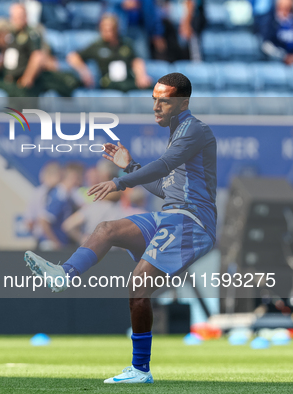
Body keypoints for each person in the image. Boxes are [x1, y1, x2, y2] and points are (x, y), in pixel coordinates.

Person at [24, 73, 217, 383]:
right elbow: (167, 189)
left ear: (183, 103)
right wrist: (130, 167)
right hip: (170, 215)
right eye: (154, 98)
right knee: (106, 229)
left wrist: (119, 180)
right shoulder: (179, 131)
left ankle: (140, 370)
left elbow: (165, 166)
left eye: (164, 100)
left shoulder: (195, 130)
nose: (156, 106)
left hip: (193, 221)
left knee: (139, 283)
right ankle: (64, 275)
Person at [66, 14, 151, 92]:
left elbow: (136, 60)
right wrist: (84, 71)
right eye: (104, 29)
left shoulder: (126, 43)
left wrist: (141, 75)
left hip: (127, 78)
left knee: (152, 86)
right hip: (109, 81)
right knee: (122, 87)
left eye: (110, 29)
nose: (106, 32)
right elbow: (73, 56)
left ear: (116, 29)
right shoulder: (97, 46)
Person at [0, 3, 47, 97]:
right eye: (14, 16)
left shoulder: (31, 33)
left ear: (25, 16)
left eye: (19, 16)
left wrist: (27, 78)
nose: (16, 19)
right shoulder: (12, 34)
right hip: (11, 82)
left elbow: (37, 56)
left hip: (22, 83)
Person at [38, 163, 83, 250]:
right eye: (78, 177)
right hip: (53, 247)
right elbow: (44, 222)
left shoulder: (69, 196)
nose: (80, 181)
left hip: (63, 244)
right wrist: (56, 243)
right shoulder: (58, 196)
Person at [258, 0, 293, 64]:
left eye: (287, 8)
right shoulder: (269, 21)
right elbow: (265, 45)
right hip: (276, 61)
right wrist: (283, 56)